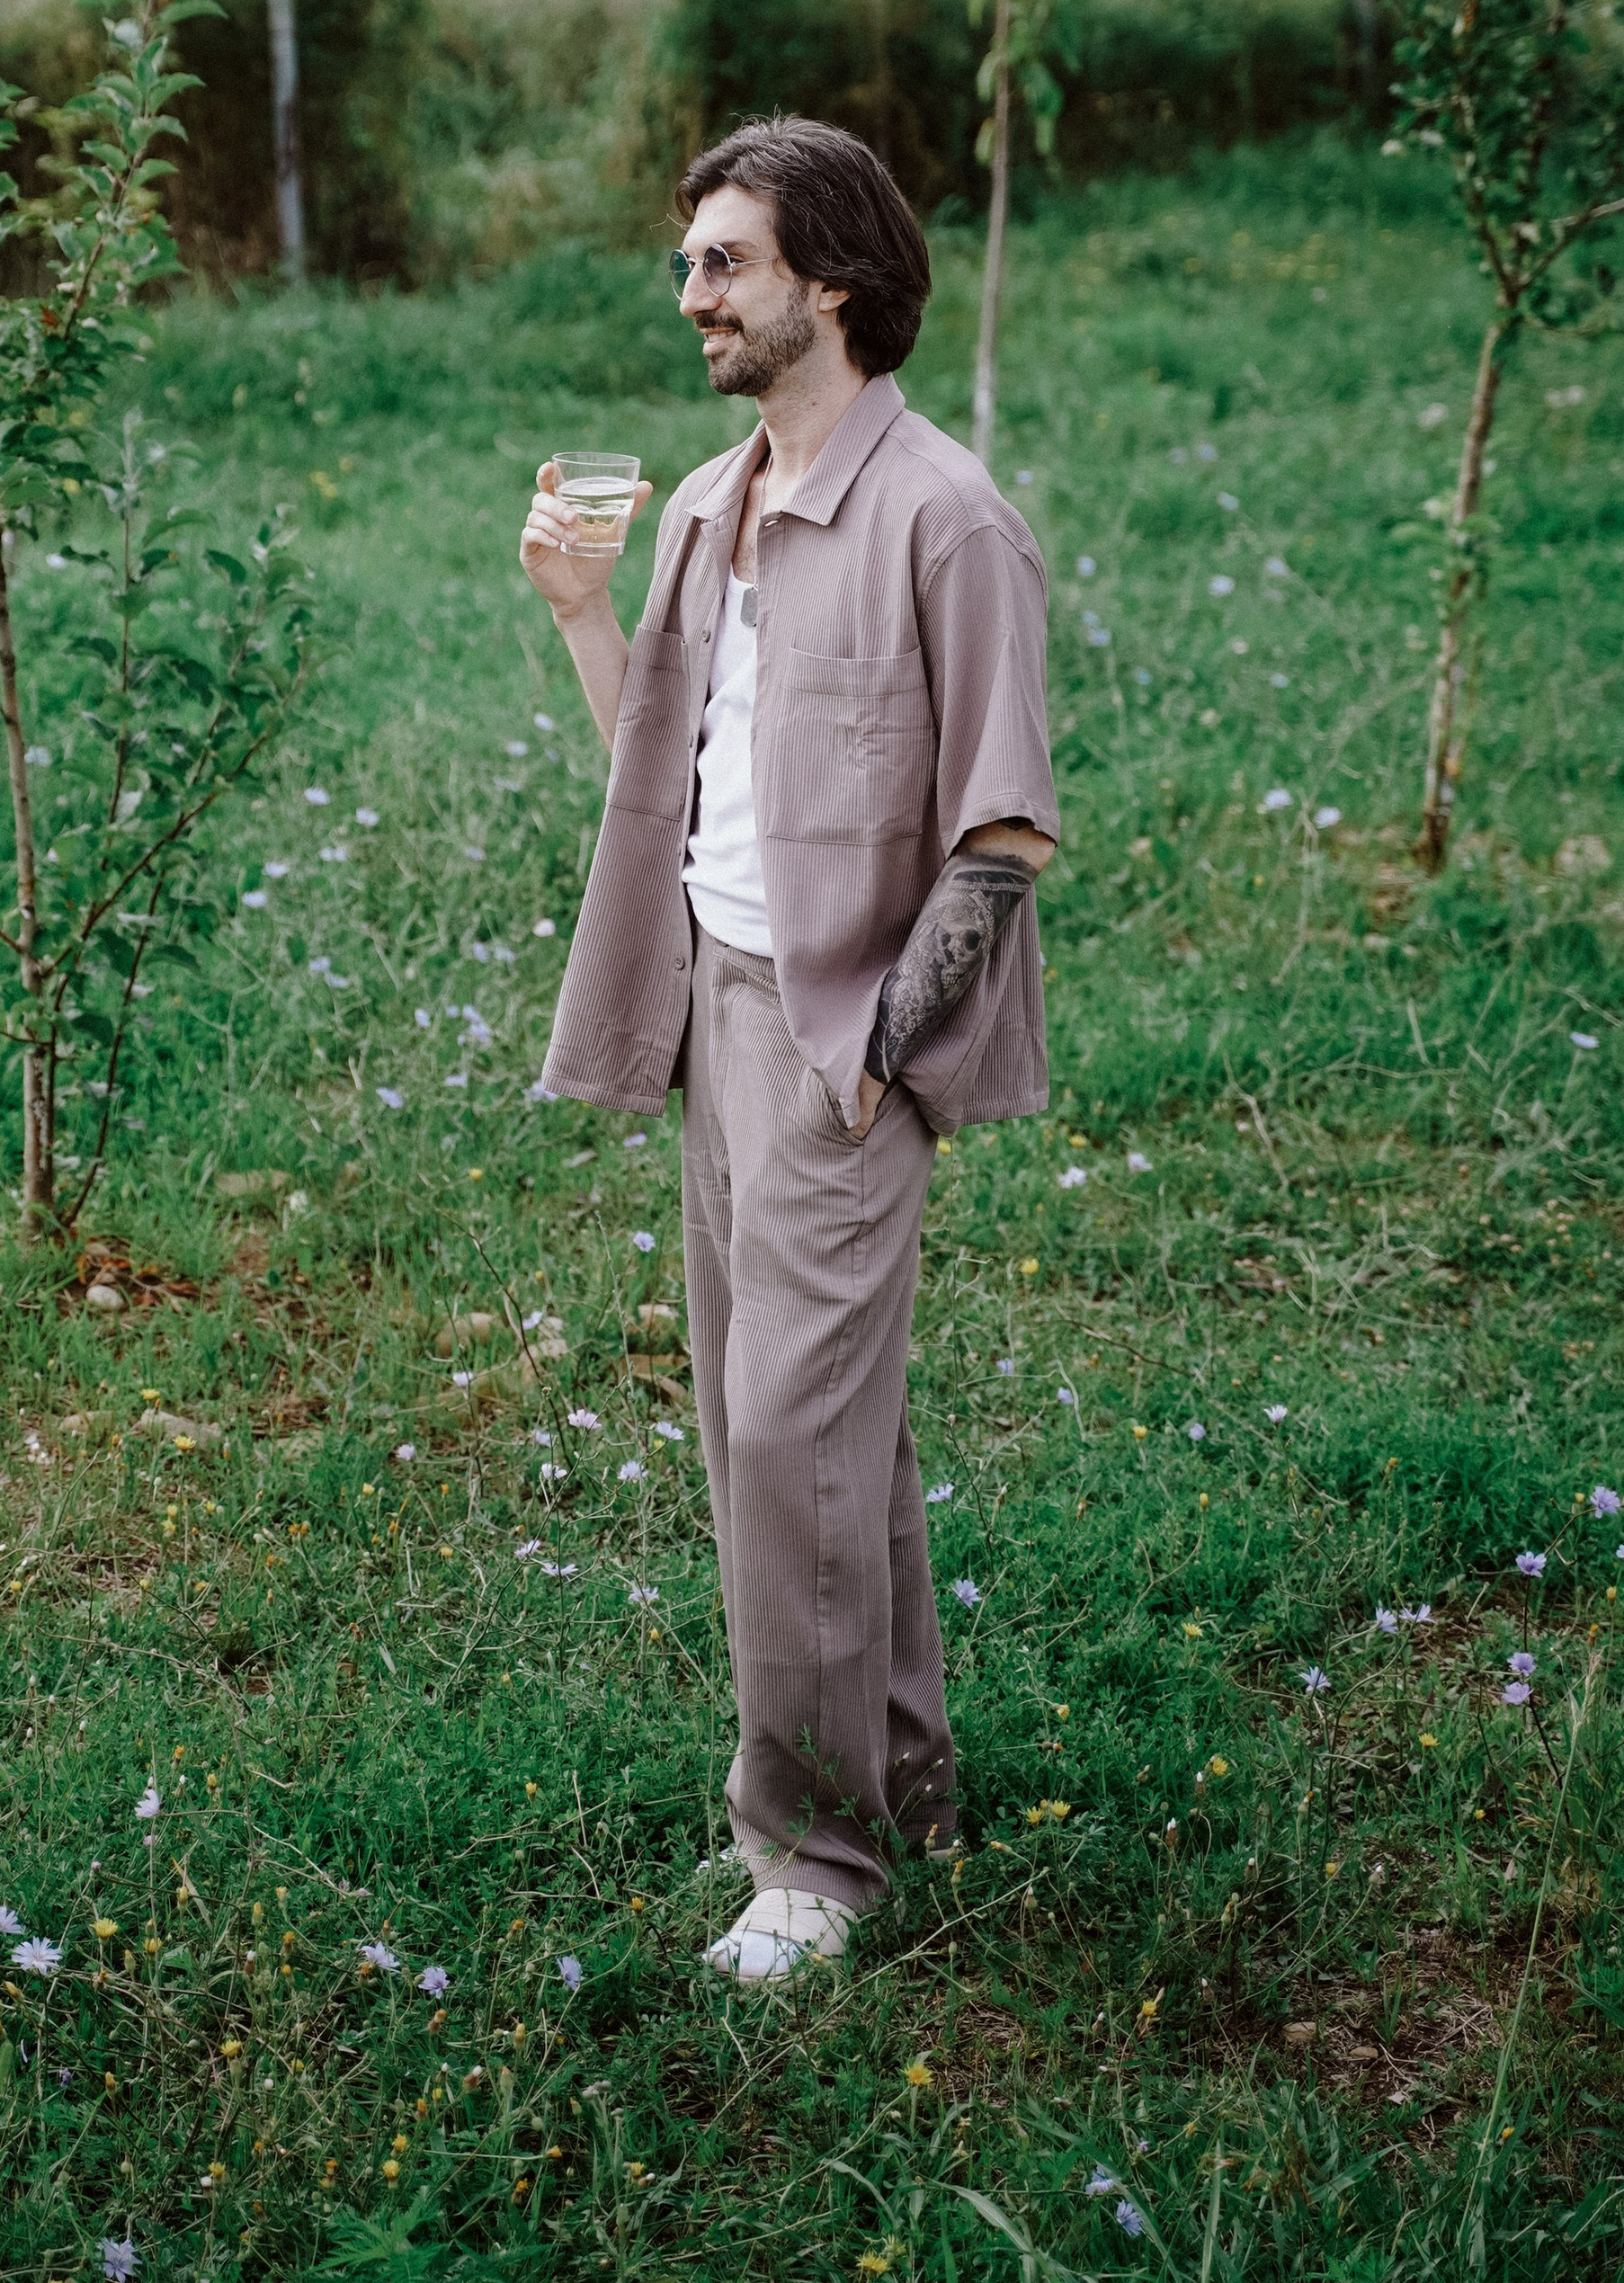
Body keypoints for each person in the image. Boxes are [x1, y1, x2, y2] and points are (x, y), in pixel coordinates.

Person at [519, 117, 1057, 1985]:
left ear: (829, 276)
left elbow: (999, 834)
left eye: (723, 262)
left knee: (782, 1435)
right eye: (686, 263)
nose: (690, 295)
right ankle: (898, 1781)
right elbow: (656, 783)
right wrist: (587, 619)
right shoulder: (699, 503)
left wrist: (877, 1056)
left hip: (840, 1041)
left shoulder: (942, 516)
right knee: (808, 1435)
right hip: (713, 1017)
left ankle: (811, 1857)